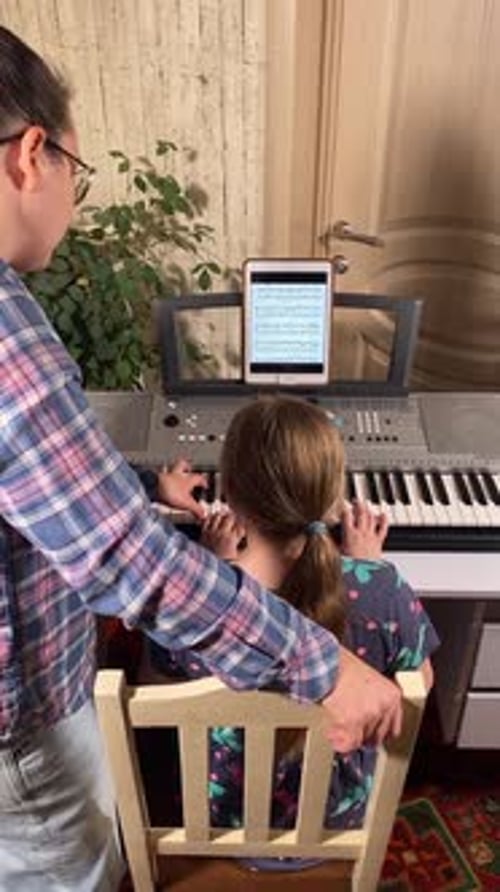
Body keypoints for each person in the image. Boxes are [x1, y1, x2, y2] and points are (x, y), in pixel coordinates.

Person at [0, 25, 402, 892]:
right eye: (80, 170)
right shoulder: (4, 332)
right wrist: (327, 663)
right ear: (33, 154)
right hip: (21, 734)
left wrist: (145, 499)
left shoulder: (202, 554)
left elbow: (55, 514)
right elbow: (120, 560)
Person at [150, 395, 438, 863]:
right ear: (331, 495)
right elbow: (418, 690)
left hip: (224, 826)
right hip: (335, 827)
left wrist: (217, 564)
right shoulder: (383, 590)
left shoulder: (192, 604)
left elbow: (161, 671)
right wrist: (367, 567)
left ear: (234, 498)